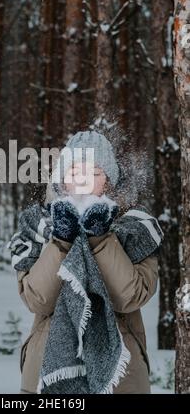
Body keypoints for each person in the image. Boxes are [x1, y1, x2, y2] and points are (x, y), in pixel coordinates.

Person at [13, 130, 162, 394]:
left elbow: (130, 296)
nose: (82, 181)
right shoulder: (36, 227)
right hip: (46, 374)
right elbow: (37, 299)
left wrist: (100, 239)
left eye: (94, 173)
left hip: (122, 379)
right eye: (74, 172)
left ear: (109, 181)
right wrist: (61, 241)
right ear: (61, 180)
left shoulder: (137, 229)